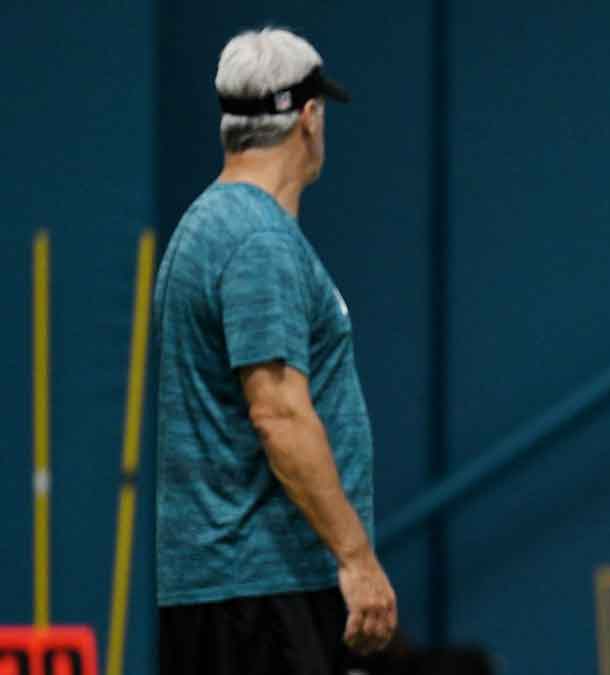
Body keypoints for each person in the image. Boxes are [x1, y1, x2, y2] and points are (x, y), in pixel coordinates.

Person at [154, 28, 396, 675]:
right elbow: (279, 414)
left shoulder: (209, 225)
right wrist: (357, 558)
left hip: (239, 595)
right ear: (309, 119)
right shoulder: (256, 240)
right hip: (262, 598)